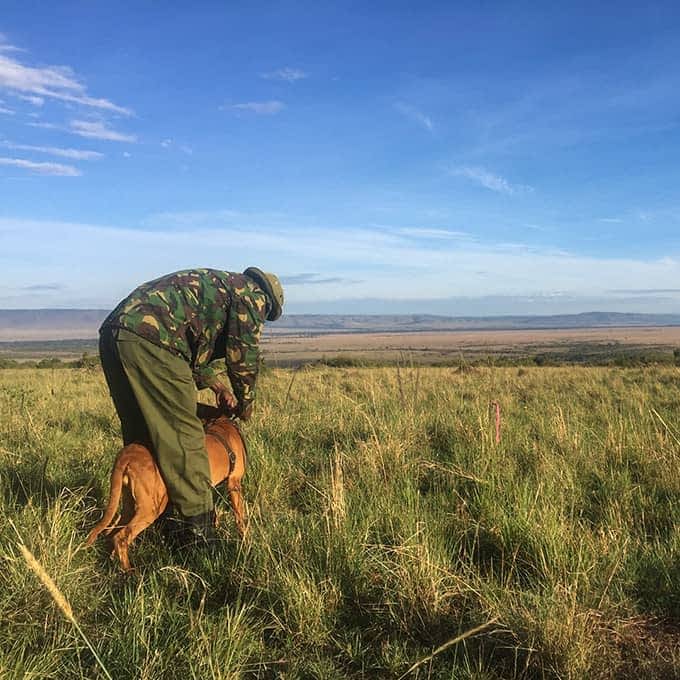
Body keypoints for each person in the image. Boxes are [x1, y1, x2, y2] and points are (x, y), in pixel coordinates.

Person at [98, 267, 284, 549]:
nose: (261, 319)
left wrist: (217, 386)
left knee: (146, 431)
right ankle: (198, 537)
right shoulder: (251, 295)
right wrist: (245, 402)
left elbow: (192, 350)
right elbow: (243, 355)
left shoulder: (218, 287)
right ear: (268, 302)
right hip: (153, 341)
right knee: (184, 433)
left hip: (115, 333)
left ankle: (152, 518)